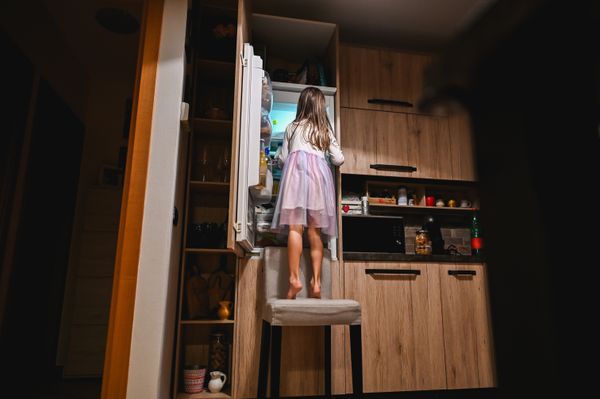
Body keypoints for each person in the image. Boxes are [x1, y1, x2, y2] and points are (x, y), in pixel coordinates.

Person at [271, 87, 344, 299]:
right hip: (319, 183)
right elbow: (338, 159)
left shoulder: (291, 127)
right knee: (315, 232)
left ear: (301, 104)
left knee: (296, 227)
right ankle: (316, 283)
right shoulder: (324, 130)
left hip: (296, 178)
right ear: (321, 107)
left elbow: (283, 159)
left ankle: (294, 280)